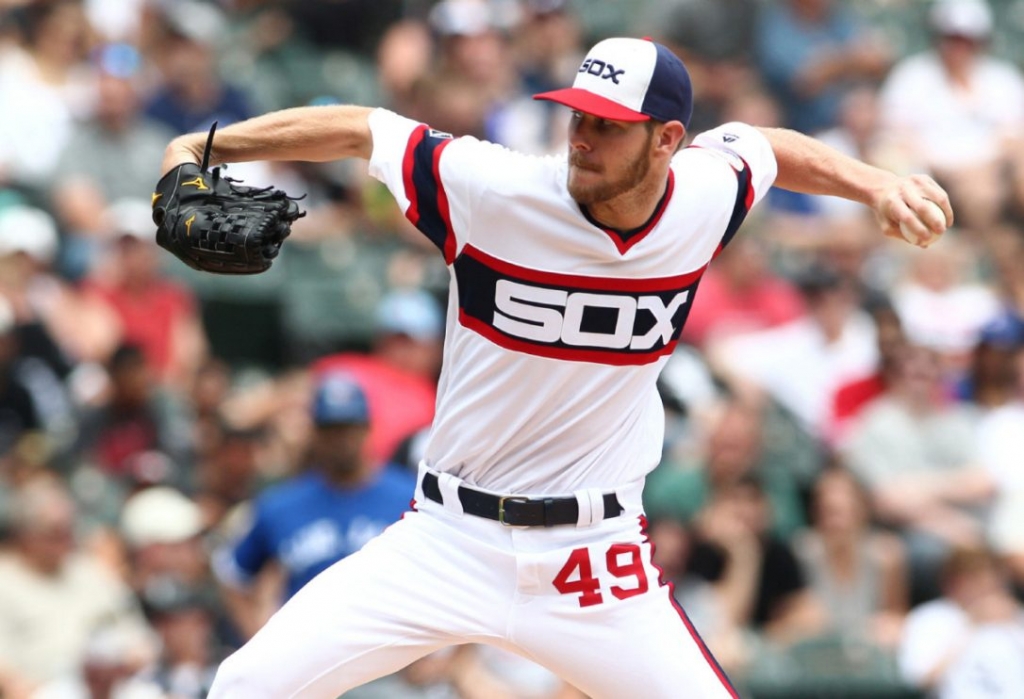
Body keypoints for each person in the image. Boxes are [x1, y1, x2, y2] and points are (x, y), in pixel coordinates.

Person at [158, 36, 952, 699]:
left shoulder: (705, 197)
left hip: (596, 561)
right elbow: (362, 129)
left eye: (609, 126)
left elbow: (768, 148)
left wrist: (875, 183)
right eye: (578, 117)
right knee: (246, 684)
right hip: (446, 540)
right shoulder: (496, 189)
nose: (582, 137)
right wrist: (206, 145)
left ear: (667, 141)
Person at [211, 371, 415, 641]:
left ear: (367, 428)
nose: (341, 440)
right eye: (331, 430)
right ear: (315, 433)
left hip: (393, 655)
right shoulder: (282, 504)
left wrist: (440, 655)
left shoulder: (410, 496)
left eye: (348, 428)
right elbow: (232, 574)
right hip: (313, 656)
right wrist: (258, 642)